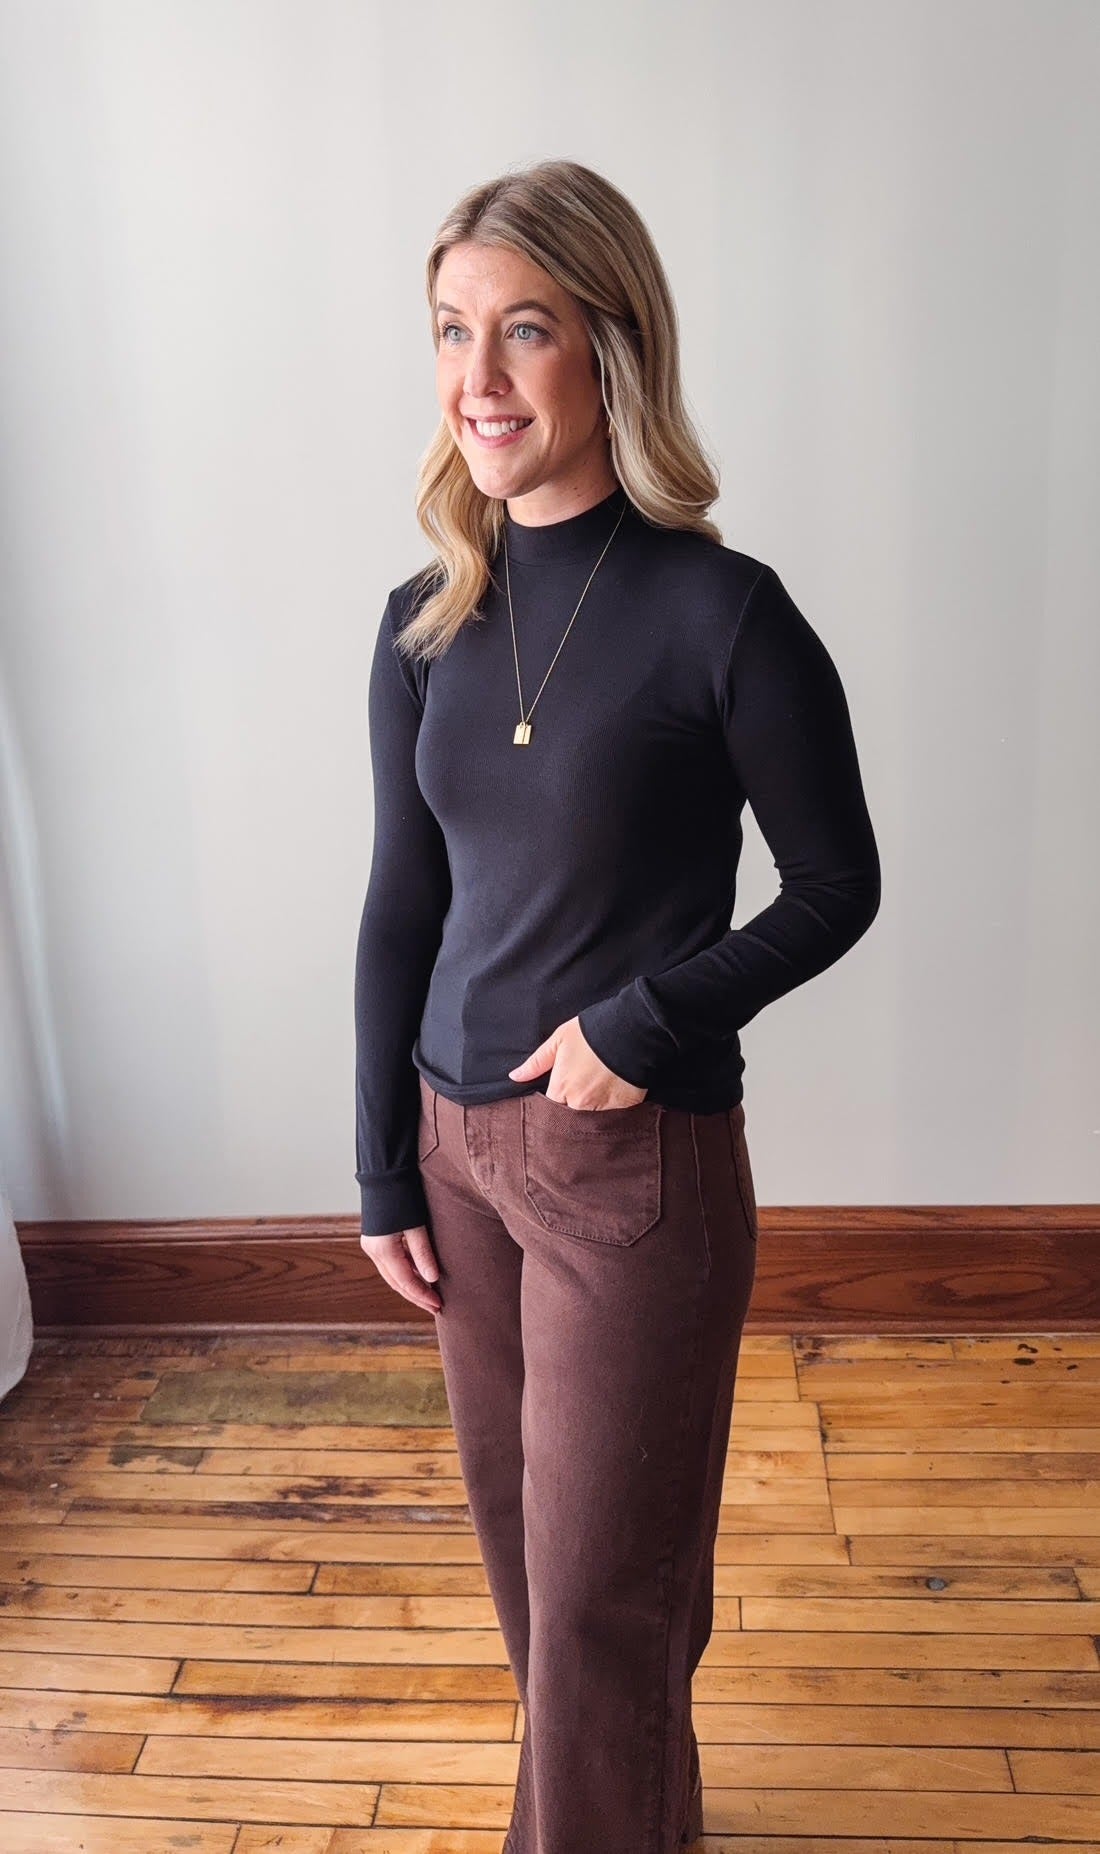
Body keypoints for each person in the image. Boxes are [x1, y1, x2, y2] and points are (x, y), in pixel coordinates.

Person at [353, 159, 881, 1854]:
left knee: (603, 1608)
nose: (478, 378)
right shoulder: (425, 619)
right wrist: (379, 1162)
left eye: (525, 330)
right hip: (455, 1159)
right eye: (452, 330)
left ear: (611, 350)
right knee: (544, 1598)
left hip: (624, 1171)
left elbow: (836, 887)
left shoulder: (723, 615)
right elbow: (401, 902)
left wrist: (640, 1024)